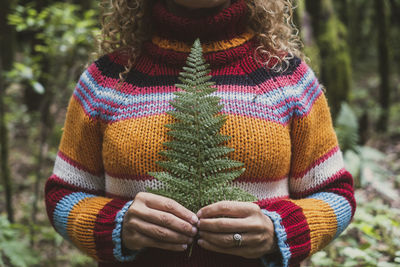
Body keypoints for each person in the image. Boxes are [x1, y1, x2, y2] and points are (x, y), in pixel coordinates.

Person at [44, 0, 356, 266]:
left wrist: (279, 230)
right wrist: (116, 225)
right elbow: (63, 195)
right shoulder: (106, 79)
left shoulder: (287, 77)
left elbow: (335, 193)